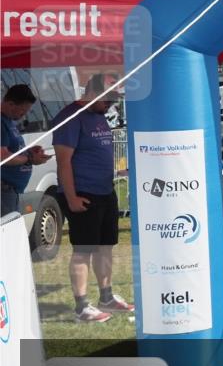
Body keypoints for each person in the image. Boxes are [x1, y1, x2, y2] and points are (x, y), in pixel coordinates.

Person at [53, 73, 132, 323]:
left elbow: (95, 153)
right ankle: (81, 306)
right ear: (92, 92)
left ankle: (106, 297)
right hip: (83, 194)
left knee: (105, 246)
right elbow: (63, 162)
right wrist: (72, 197)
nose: (111, 105)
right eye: (107, 99)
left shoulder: (98, 116)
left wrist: (118, 172)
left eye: (114, 100)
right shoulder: (70, 117)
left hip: (105, 192)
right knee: (83, 250)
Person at [1, 84, 50, 216]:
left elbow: (11, 149)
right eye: (23, 111)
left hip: (11, 191)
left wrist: (27, 151)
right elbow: (3, 156)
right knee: (7, 233)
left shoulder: (9, 121)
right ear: (11, 104)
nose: (24, 115)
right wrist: (29, 158)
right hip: (4, 190)